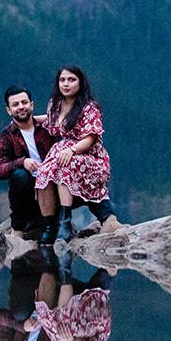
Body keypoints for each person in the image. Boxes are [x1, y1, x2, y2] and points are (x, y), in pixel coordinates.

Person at [33, 66, 121, 244]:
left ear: (80, 83)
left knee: (66, 166)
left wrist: (72, 150)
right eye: (62, 80)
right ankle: (50, 226)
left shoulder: (90, 107)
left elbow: (90, 139)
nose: (66, 84)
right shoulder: (55, 104)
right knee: (44, 172)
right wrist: (29, 119)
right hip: (62, 152)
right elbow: (50, 121)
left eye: (71, 80)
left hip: (89, 156)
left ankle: (65, 222)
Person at [0, 86, 55, 237]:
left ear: (32, 105)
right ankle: (18, 230)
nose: (21, 107)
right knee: (19, 175)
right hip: (28, 192)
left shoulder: (48, 127)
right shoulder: (5, 136)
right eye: (15, 104)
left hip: (52, 187)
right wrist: (22, 162)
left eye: (24, 102)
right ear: (9, 110)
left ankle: (106, 218)